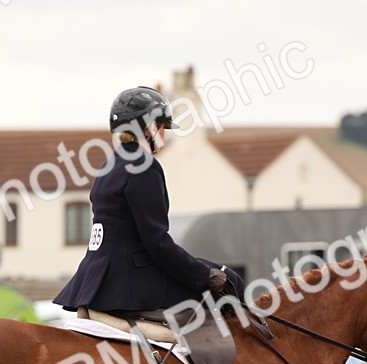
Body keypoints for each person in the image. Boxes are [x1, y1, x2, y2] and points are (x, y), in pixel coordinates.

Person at [54, 86, 243, 314]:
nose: (164, 134)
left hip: (96, 276)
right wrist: (203, 275)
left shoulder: (108, 166)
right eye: (163, 127)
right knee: (229, 281)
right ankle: (198, 351)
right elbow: (157, 243)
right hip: (130, 281)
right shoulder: (144, 166)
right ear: (151, 127)